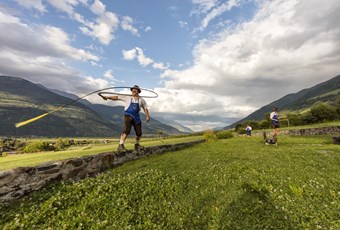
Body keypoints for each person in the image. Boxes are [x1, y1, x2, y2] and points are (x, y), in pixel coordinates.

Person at [102, 85, 150, 153]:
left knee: (139, 133)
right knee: (126, 130)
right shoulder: (127, 97)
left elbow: (145, 108)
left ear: (138, 91)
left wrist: (147, 116)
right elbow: (116, 97)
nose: (133, 90)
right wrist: (107, 97)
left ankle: (137, 145)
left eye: (135, 89)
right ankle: (120, 146)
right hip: (128, 115)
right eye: (133, 89)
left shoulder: (141, 100)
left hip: (136, 117)